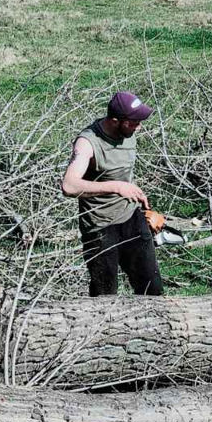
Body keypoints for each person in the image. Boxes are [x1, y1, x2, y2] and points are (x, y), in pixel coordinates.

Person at [60, 91, 164, 297]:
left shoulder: (129, 133)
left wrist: (134, 190)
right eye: (134, 122)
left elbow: (121, 170)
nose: (139, 127)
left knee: (152, 288)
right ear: (116, 121)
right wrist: (116, 187)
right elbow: (69, 186)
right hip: (100, 227)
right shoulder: (88, 143)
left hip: (131, 217)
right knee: (104, 294)